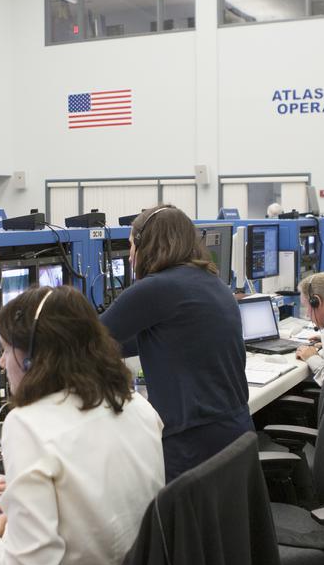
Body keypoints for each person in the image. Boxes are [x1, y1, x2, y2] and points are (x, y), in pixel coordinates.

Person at [0, 285, 165, 565]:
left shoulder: (27, 425)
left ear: (32, 360)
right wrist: (34, 489)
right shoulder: (135, 404)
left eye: (7, 349)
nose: (3, 361)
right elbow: (106, 475)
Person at [100, 204, 252, 481]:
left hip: (193, 442)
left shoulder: (156, 288)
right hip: (231, 433)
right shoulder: (210, 280)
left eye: (132, 245)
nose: (131, 256)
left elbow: (85, 337)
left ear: (146, 244)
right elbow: (143, 340)